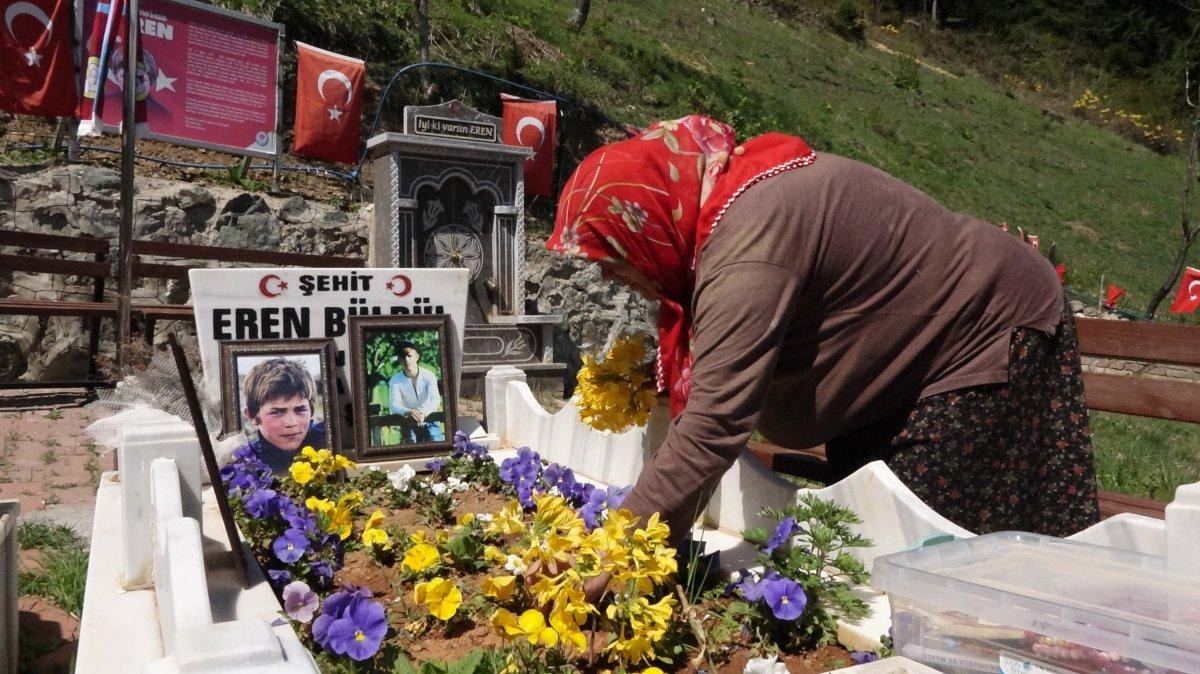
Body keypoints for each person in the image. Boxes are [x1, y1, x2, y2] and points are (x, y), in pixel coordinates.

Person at [548, 115, 1099, 547]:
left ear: (645, 226)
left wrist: (616, 552)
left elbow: (715, 420)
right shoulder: (717, 219)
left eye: (610, 255)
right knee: (871, 542)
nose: (607, 276)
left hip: (983, 330)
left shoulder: (747, 247)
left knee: (931, 551)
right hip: (903, 367)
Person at [242, 357, 327, 472]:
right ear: (252, 416)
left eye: (300, 410)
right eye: (277, 412)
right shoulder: (246, 464)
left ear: (311, 410)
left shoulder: (328, 440)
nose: (291, 423)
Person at [387, 340, 445, 443]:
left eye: (409, 356)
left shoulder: (429, 375)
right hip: (408, 421)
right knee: (410, 449)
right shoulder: (395, 380)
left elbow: (435, 400)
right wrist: (408, 411)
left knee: (437, 446)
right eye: (402, 357)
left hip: (430, 418)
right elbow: (394, 405)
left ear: (416, 357)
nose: (406, 360)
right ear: (399, 359)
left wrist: (423, 413)